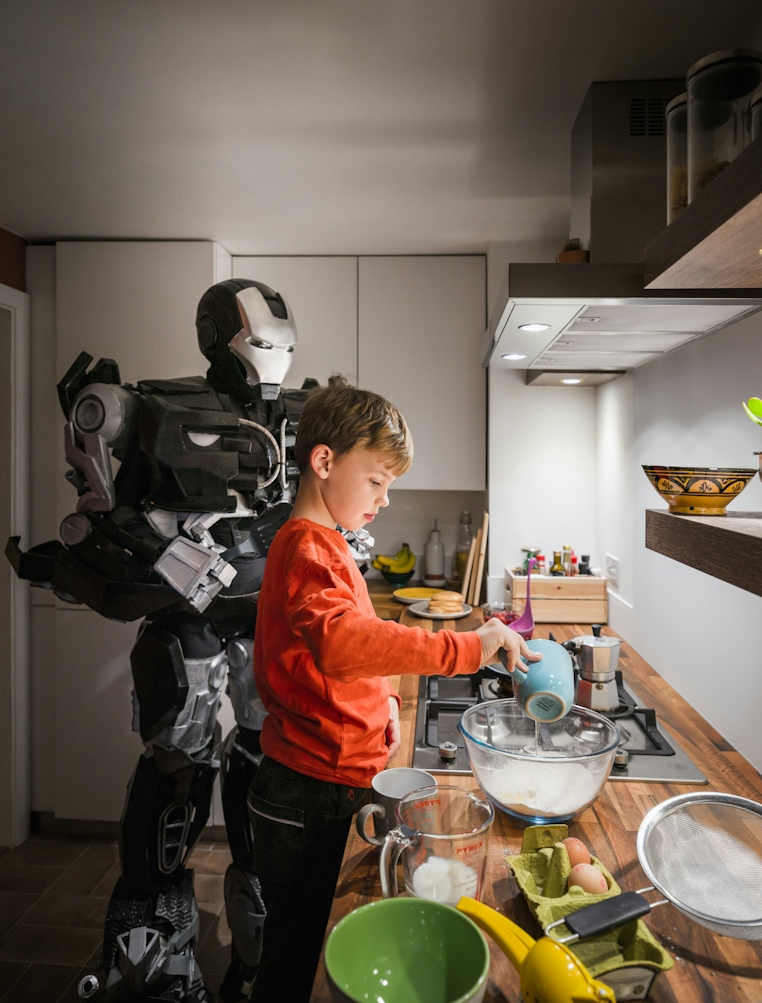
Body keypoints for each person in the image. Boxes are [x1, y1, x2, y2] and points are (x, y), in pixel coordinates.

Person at [246, 376, 536, 1001]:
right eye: (376, 480)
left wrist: (382, 707)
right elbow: (344, 643)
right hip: (307, 793)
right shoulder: (306, 549)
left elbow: (347, 651)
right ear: (323, 461)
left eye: (389, 486)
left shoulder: (326, 545)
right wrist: (466, 646)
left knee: (310, 946)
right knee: (296, 961)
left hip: (328, 778)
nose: (382, 500)